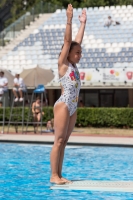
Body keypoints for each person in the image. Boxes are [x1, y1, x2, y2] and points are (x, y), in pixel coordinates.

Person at [50, 4, 86, 184]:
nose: (80, 55)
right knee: (58, 140)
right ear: (69, 54)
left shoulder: (73, 65)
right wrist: (69, 20)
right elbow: (68, 42)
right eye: (77, 53)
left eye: (80, 52)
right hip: (64, 104)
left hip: (73, 106)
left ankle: (59, 174)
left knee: (64, 142)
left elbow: (76, 42)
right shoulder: (63, 64)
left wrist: (83, 24)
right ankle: (53, 175)